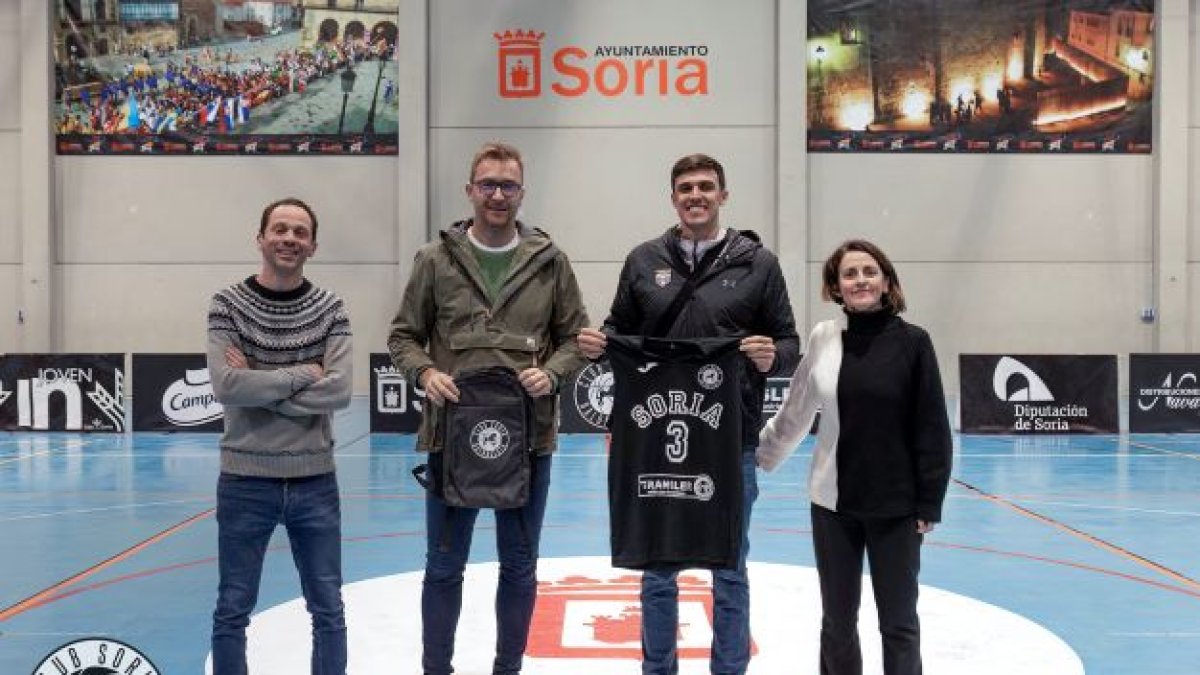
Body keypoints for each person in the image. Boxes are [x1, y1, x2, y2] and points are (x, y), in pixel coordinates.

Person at [578, 153, 800, 675]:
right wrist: (596, 344)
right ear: (673, 197)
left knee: (730, 565)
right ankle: (658, 669)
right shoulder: (642, 260)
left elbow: (788, 340)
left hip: (732, 440)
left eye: (705, 186)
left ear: (723, 195)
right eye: (685, 188)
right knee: (656, 568)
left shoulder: (758, 264)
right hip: (654, 438)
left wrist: (776, 355)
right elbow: (617, 329)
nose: (695, 195)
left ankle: (728, 669)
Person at [388, 141, 590, 675]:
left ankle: (508, 668)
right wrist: (426, 373)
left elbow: (577, 339)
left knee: (520, 567)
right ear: (470, 190)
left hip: (528, 440)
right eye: (488, 185)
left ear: (522, 193)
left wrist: (551, 373)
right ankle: (437, 669)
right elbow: (403, 337)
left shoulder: (551, 262)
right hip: (450, 439)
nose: (498, 195)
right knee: (443, 566)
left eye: (508, 186)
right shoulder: (434, 260)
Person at [757, 239, 952, 675]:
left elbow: (932, 427)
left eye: (868, 271)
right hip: (833, 507)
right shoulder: (824, 339)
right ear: (835, 287)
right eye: (849, 274)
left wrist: (928, 502)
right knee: (838, 622)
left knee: (899, 623)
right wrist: (757, 455)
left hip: (897, 509)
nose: (860, 280)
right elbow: (796, 410)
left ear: (885, 281)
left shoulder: (915, 343)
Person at [207, 197, 353, 675]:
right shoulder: (227, 304)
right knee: (232, 610)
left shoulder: (331, 308)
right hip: (244, 480)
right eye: (280, 229)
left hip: (315, 480)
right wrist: (300, 375)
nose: (289, 238)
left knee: (328, 610)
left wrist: (261, 381)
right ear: (261, 238)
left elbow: (339, 391)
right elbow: (227, 385)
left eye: (300, 232)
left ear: (312, 245)